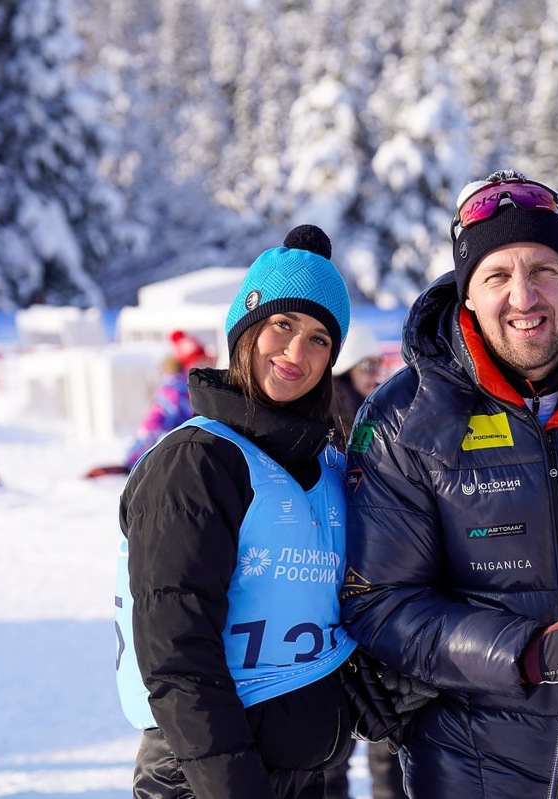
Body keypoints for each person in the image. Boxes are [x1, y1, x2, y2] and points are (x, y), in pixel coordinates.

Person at [340, 170, 558, 798]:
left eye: (544, 271)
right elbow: (380, 602)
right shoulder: (409, 418)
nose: (524, 297)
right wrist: (524, 651)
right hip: (472, 775)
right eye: (497, 277)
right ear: (467, 294)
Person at [115, 225, 359, 798]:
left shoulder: (324, 467)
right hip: (204, 778)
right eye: (283, 324)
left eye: (320, 338)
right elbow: (177, 655)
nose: (297, 352)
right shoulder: (196, 463)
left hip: (301, 776)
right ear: (245, 327)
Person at [324, 319, 406, 799]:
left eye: (378, 365)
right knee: (338, 745)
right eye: (366, 367)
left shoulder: (375, 422)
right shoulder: (342, 430)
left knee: (383, 737)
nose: (375, 375)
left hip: (374, 601)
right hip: (338, 608)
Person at [123, 330, 213, 470]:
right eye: (200, 361)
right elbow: (152, 424)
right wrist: (134, 457)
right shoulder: (174, 393)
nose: (207, 366)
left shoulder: (196, 389)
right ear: (189, 365)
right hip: (177, 459)